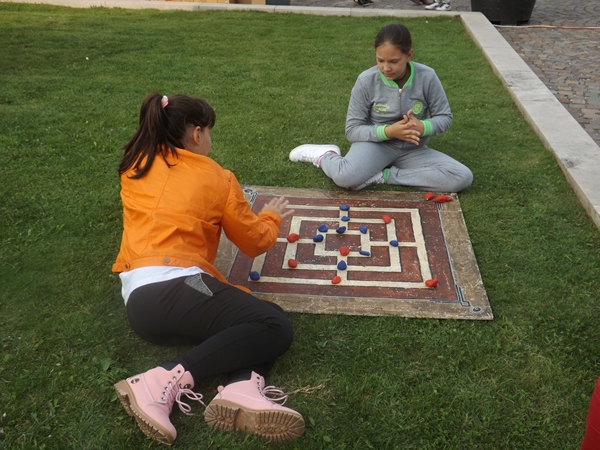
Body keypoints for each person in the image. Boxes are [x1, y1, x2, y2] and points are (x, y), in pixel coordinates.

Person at [111, 93, 304, 446]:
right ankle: (160, 380)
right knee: (274, 326)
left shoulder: (136, 162)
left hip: (140, 302)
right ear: (196, 134)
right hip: (177, 287)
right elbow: (254, 241)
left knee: (261, 318)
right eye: (210, 132)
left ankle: (242, 387)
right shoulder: (217, 178)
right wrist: (271, 216)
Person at [289, 23, 471, 193]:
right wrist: (389, 131)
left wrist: (423, 127)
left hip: (412, 150)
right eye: (380, 60)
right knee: (346, 177)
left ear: (409, 55)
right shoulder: (366, 81)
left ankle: (383, 176)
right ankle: (325, 156)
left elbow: (444, 116)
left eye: (394, 61)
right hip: (375, 145)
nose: (386, 68)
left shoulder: (427, 76)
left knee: (461, 177)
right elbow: (352, 130)